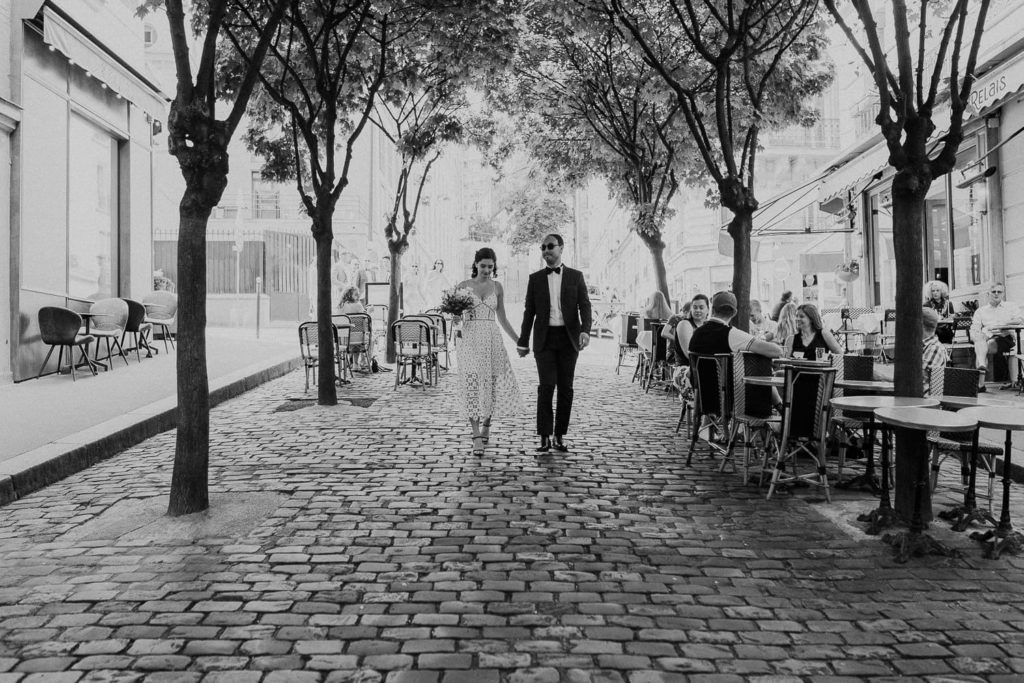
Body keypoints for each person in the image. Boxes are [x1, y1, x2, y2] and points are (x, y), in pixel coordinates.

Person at [517, 233, 592, 453]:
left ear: (561, 248)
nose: (546, 250)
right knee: (547, 386)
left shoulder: (576, 277)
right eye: (543, 247)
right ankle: (544, 437)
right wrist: (522, 341)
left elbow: (585, 306)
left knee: (566, 389)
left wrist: (586, 331)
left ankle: (559, 436)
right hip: (545, 339)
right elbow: (529, 312)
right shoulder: (535, 279)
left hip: (569, 339)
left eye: (550, 246)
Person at [455, 247, 522, 456]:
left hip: (492, 338)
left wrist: (519, 341)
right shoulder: (464, 286)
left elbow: (502, 318)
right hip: (470, 338)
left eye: (490, 266)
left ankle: (486, 424)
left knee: (491, 385)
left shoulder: (498, 287)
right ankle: (475, 436)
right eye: (483, 265)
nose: (486, 270)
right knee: (472, 385)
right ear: (475, 265)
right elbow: (455, 317)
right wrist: (456, 318)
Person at [689, 292, 783, 360]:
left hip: (700, 387)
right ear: (734, 313)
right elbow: (776, 351)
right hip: (725, 387)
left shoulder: (696, 332)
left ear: (712, 310)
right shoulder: (731, 334)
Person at [970, 282, 1023, 391]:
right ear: (988, 294)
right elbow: (975, 327)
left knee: (981, 348)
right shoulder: (981, 311)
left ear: (1003, 294)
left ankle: (980, 383)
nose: (996, 294)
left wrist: (1001, 324)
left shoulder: (1010, 306)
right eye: (993, 292)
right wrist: (977, 334)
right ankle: (981, 366)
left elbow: (1019, 320)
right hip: (988, 338)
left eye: (999, 292)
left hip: (1006, 338)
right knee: (980, 341)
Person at [675, 293, 709, 365]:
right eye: (695, 307)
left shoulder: (708, 326)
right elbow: (689, 354)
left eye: (701, 307)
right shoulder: (684, 324)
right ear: (691, 309)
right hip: (686, 369)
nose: (698, 310)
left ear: (708, 310)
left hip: (703, 366)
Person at [921, 307, 949, 380]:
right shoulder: (925, 345)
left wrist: (887, 378)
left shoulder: (934, 349)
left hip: (922, 391)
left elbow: (913, 378)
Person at [924, 280, 955, 344]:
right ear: (930, 292)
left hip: (946, 331)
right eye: (933, 291)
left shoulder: (949, 304)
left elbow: (952, 318)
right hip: (932, 332)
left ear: (942, 292)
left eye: (937, 290)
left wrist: (949, 318)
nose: (935, 293)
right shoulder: (927, 305)